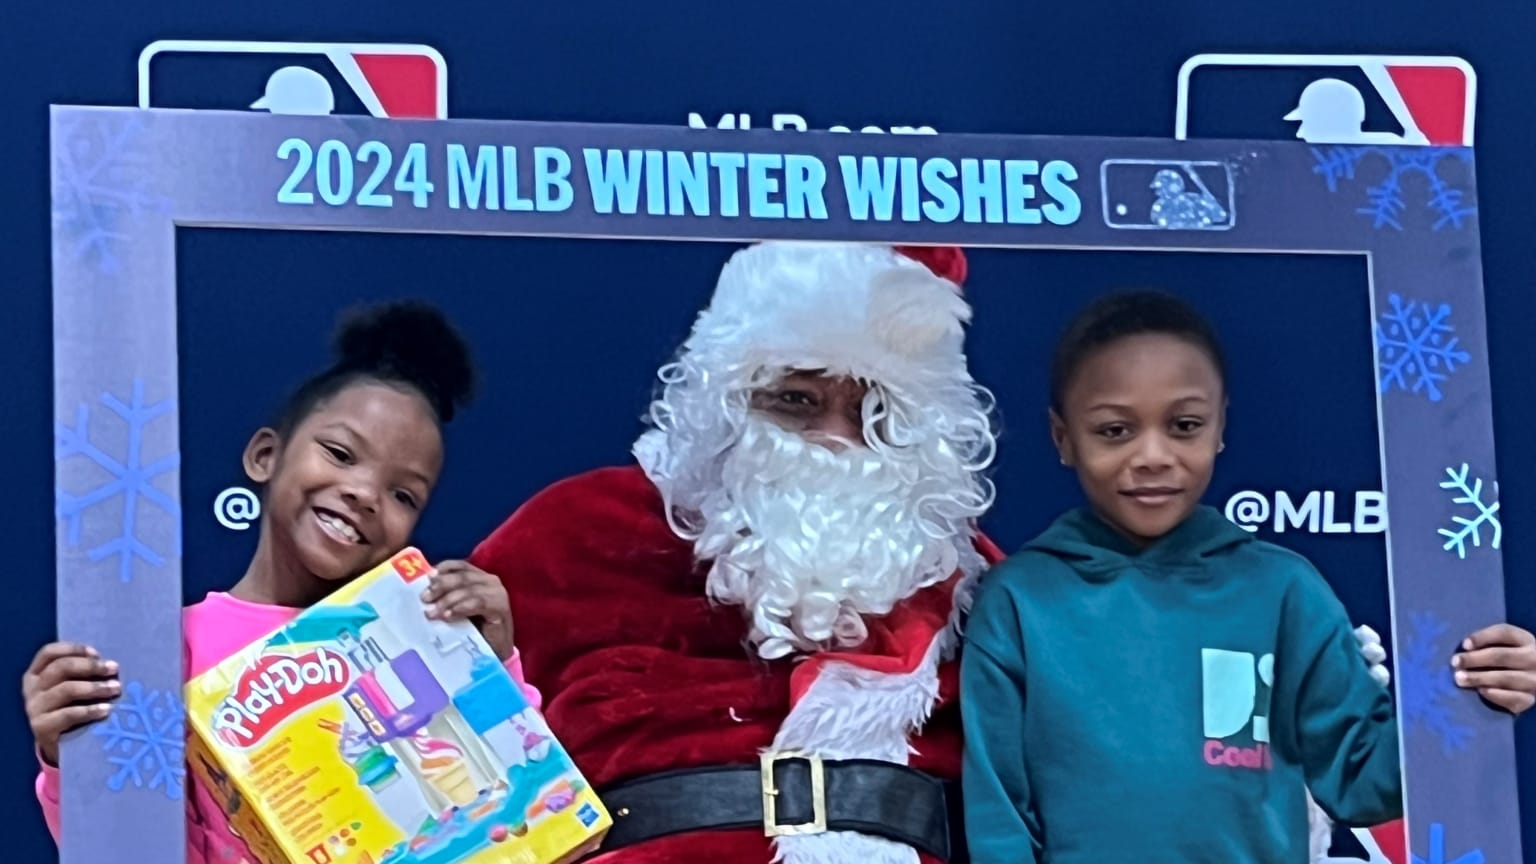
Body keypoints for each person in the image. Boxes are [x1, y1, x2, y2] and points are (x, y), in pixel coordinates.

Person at [466, 242, 1535, 864]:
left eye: (873, 409)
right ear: (720, 397)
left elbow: (1146, 768)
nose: (837, 438)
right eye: (796, 401)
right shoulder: (579, 530)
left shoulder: (993, 583)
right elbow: (392, 720)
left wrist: (1460, 705)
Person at [956, 290, 1520, 864]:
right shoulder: (1019, 602)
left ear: (1220, 426)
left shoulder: (1284, 591)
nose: (1152, 455)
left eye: (1184, 425)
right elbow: (999, 814)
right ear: (1063, 437)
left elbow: (1362, 780)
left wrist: (1477, 695)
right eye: (1115, 431)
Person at [24, 302, 535, 864]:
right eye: (341, 454)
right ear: (266, 455)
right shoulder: (169, 646)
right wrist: (72, 758)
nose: (364, 493)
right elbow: (130, 847)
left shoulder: (418, 630)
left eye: (403, 494)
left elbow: (525, 806)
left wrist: (493, 662)